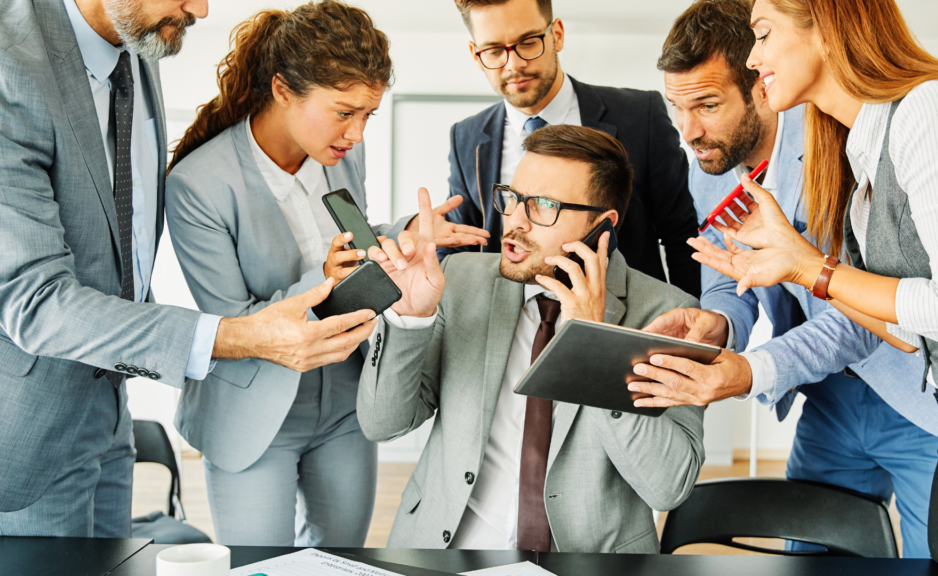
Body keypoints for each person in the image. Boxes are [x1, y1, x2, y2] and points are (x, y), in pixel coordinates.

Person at [0, 0, 379, 539]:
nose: (200, 8)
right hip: (30, 428)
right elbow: (33, 302)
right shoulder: (9, 64)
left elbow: (113, 240)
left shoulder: (137, 50)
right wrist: (230, 334)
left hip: (110, 413)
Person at [682, 0, 938, 573]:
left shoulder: (933, 109)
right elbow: (905, 331)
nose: (754, 55)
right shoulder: (860, 150)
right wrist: (799, 269)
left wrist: (811, 270)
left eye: (763, 34)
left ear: (826, 24)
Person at [165, 2, 489, 547]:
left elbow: (351, 240)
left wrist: (404, 229)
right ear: (283, 90)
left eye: (368, 114)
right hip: (254, 409)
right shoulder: (198, 185)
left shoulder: (339, 154)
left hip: (345, 398)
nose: (357, 134)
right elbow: (230, 325)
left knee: (341, 560)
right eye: (344, 112)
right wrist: (322, 277)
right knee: (258, 566)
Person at [625, 0, 938, 557]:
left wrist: (749, 370)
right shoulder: (712, 165)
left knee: (936, 562)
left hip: (915, 394)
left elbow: (866, 314)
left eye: (707, 104)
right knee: (812, 555)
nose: (689, 131)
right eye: (677, 107)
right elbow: (728, 274)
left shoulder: (842, 144)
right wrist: (718, 322)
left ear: (762, 83)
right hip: (828, 400)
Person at [358, 125, 705, 553]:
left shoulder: (669, 314)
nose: (515, 222)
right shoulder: (462, 280)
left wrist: (595, 343)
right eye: (513, 198)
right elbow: (383, 424)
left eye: (543, 206)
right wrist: (407, 319)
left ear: (603, 227)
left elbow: (668, 486)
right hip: (447, 551)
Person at [440, 0, 702, 296]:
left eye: (528, 42)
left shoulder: (641, 116)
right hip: (510, 330)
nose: (514, 64)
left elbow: (684, 236)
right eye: (494, 51)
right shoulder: (466, 137)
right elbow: (458, 246)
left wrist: (692, 324)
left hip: (629, 320)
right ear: (476, 55)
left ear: (557, 34)